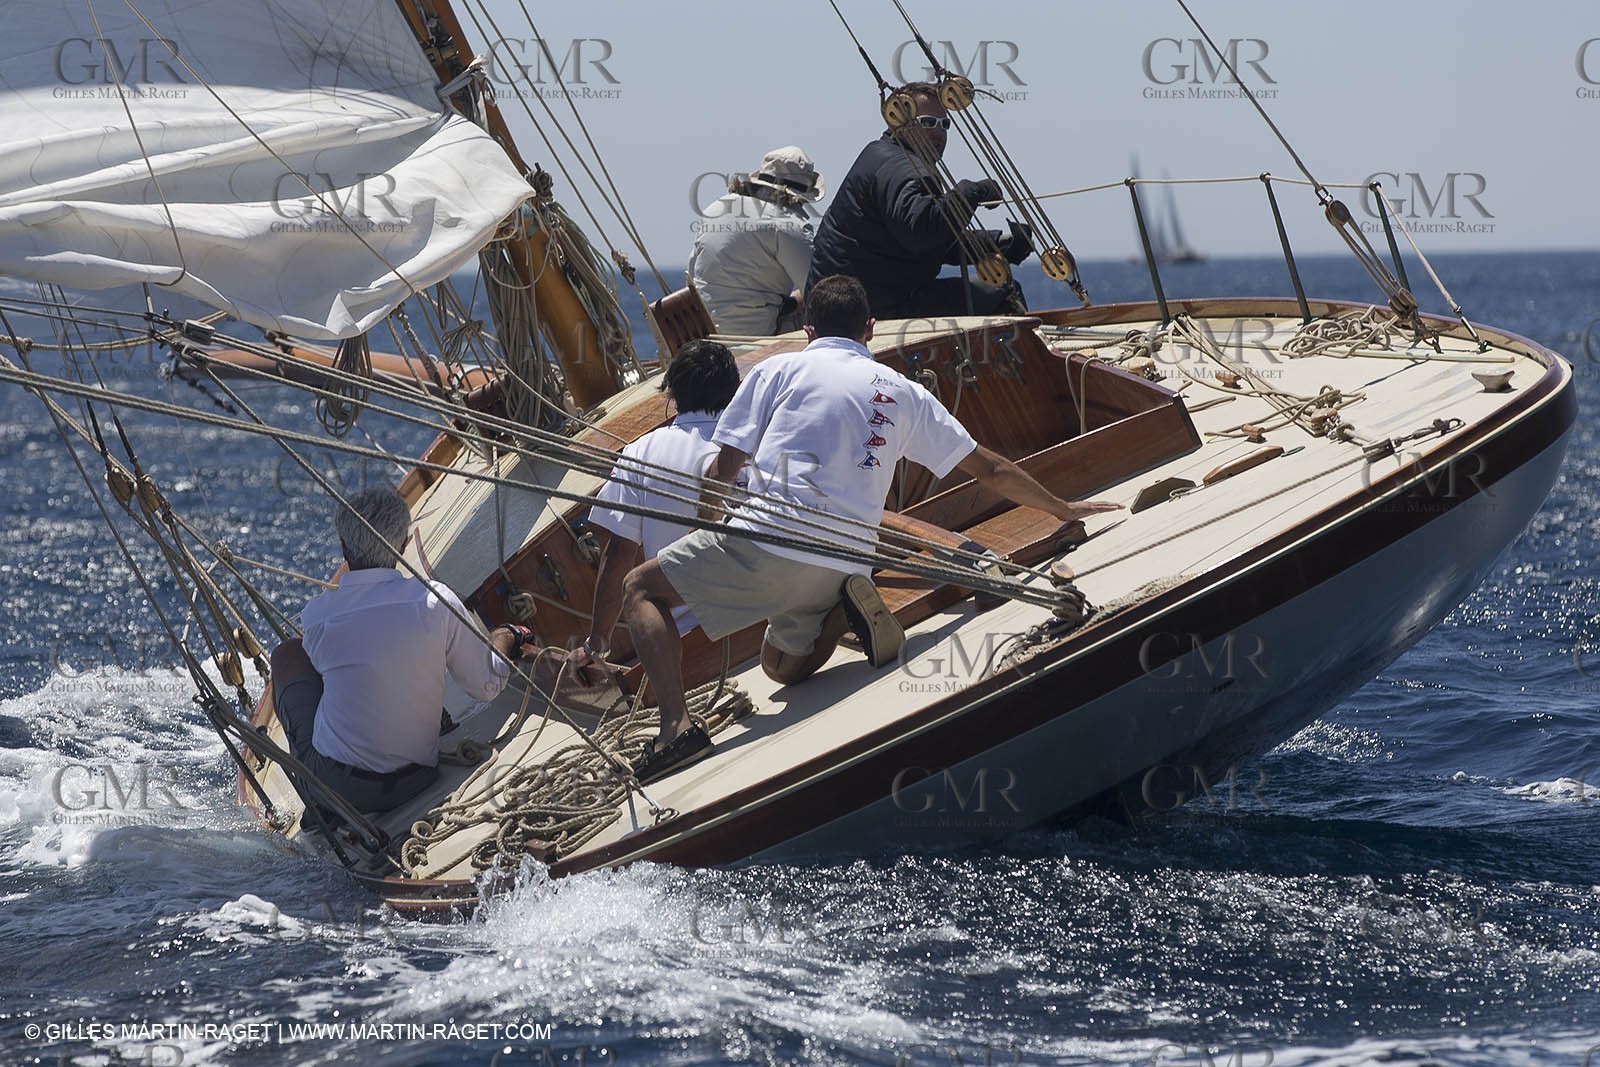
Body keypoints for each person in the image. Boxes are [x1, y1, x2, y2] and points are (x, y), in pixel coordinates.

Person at [614, 275, 1121, 784]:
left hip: (770, 540)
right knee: (780, 669)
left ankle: (675, 730)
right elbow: (990, 470)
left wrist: (705, 530)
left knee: (640, 588)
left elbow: (724, 472)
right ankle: (840, 610)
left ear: (808, 330)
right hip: (848, 558)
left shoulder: (777, 369)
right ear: (871, 330)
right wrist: (1062, 507)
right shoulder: (904, 392)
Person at [269, 487, 538, 814]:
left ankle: (315, 797)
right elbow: (486, 687)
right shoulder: (435, 600)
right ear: (403, 545)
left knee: (287, 656)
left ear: (344, 548)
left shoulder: (318, 616)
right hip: (417, 779)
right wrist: (506, 636)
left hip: (342, 794)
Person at [806, 83, 1033, 320]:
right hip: (876, 306)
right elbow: (922, 232)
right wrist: (971, 192)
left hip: (838, 306)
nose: (938, 132)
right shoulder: (903, 169)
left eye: (944, 124)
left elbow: (929, 240)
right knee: (1004, 292)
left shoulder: (881, 155)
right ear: (897, 121)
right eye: (927, 122)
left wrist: (998, 244)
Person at [580, 339, 743, 663]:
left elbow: (619, 557)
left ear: (671, 395)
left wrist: (596, 644)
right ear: (734, 390)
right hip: (761, 612)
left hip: (686, 641)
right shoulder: (754, 438)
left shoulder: (640, 453)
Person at [687, 146, 824, 336]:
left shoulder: (715, 209)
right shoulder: (787, 223)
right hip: (755, 338)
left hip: (705, 334)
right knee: (827, 313)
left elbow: (695, 273)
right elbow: (818, 293)